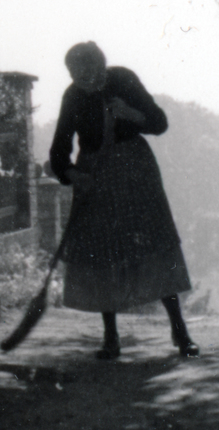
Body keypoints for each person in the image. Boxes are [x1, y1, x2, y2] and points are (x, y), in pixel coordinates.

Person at [48, 41, 199, 361]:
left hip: (136, 173)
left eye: (86, 70)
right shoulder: (72, 96)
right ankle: (111, 338)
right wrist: (77, 177)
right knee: (104, 252)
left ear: (101, 64)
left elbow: (159, 122)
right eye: (73, 73)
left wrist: (132, 113)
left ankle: (180, 331)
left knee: (155, 245)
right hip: (97, 178)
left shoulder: (124, 80)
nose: (81, 78)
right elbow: (59, 153)